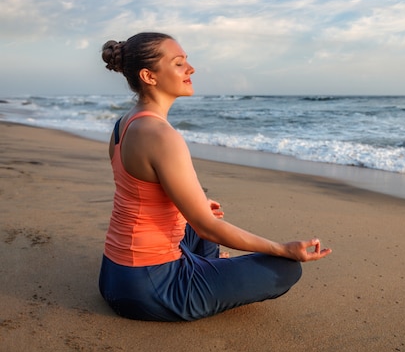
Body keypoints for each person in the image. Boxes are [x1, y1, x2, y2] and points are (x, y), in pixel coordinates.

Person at [99, 32, 331, 321]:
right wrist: (281, 248)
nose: (191, 69)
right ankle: (207, 271)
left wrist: (188, 211)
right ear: (149, 75)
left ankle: (207, 266)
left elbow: (138, 195)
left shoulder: (124, 124)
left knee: (198, 218)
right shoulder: (161, 135)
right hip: (150, 289)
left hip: (113, 274)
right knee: (285, 268)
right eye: (179, 63)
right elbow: (208, 228)